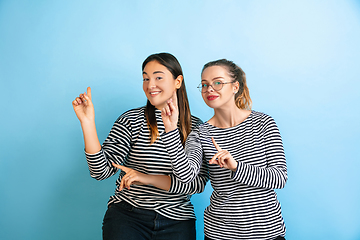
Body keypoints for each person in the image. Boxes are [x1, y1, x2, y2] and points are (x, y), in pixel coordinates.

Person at [72, 53, 208, 240]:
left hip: (178, 221)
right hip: (128, 216)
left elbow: (196, 184)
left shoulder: (196, 128)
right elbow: (100, 171)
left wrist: (147, 178)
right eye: (145, 78)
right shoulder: (131, 120)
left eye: (158, 77)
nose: (150, 85)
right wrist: (87, 123)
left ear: (178, 81)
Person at [161, 59, 287, 240]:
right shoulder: (200, 133)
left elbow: (279, 178)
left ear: (235, 87)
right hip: (220, 233)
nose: (209, 89)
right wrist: (171, 128)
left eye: (217, 83)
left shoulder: (263, 123)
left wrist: (236, 167)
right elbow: (186, 175)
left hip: (267, 233)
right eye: (204, 85)